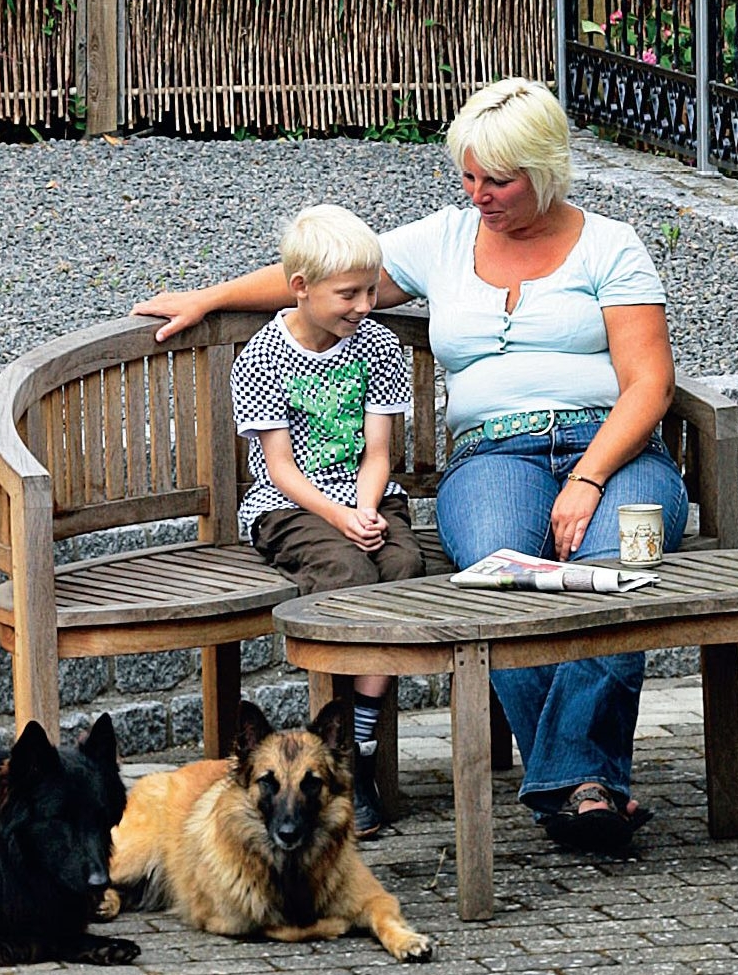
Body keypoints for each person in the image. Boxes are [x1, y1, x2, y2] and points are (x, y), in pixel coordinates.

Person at [138, 78, 684, 858]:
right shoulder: (448, 238)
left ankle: (570, 784)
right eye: (467, 175)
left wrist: (588, 477)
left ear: (546, 169)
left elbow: (649, 384)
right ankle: (583, 785)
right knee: (500, 574)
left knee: (613, 575)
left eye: (497, 179)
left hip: (615, 449)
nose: (477, 193)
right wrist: (208, 295)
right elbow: (321, 274)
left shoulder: (610, 245)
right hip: (496, 451)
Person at [228, 204, 421, 837]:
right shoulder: (264, 358)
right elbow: (279, 469)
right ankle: (339, 753)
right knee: (344, 570)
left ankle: (355, 748)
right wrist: (339, 517)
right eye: (349, 294)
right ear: (301, 288)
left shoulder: (378, 346)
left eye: (371, 289)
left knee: (403, 566)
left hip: (363, 496)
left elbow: (377, 453)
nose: (365, 304)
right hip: (293, 506)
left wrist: (366, 508)